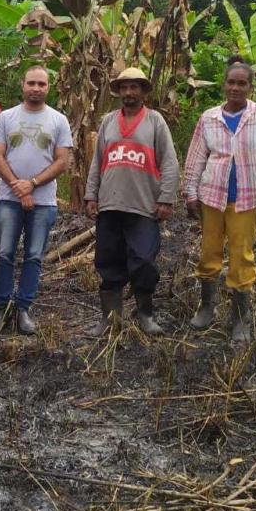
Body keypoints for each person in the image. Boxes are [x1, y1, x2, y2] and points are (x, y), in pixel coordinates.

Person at [182, 58, 256, 342]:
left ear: (251, 87)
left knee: (242, 255)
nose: (236, 88)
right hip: (212, 196)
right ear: (224, 85)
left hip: (247, 198)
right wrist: (190, 192)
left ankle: (241, 318)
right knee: (209, 252)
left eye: (242, 83)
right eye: (231, 82)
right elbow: (196, 156)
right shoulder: (209, 117)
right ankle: (206, 308)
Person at [84, 68, 180, 336]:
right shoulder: (108, 122)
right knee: (108, 260)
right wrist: (92, 194)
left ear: (143, 91)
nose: (128, 93)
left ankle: (145, 314)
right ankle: (110, 319)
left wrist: (166, 199)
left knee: (144, 260)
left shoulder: (155, 121)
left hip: (143, 205)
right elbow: (97, 161)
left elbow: (170, 162)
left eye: (134, 87)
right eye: (124, 88)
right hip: (110, 204)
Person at [0, 65, 73, 334]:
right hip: (9, 200)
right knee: (4, 254)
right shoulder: (6, 117)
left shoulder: (59, 120)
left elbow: (62, 162)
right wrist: (19, 188)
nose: (36, 88)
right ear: (22, 85)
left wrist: (33, 184)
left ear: (48, 87)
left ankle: (23, 308)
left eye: (42, 84)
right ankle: (2, 308)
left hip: (44, 202)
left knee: (34, 256)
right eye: (31, 83)